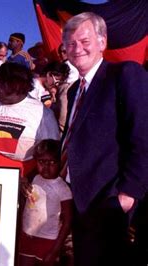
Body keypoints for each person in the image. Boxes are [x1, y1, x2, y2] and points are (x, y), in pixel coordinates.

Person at [61, 12, 148, 266]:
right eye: (70, 43)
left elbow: (143, 136)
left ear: (102, 42)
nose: (77, 49)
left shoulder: (126, 74)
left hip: (112, 202)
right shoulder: (75, 89)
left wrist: (128, 195)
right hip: (82, 201)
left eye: (85, 41)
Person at [0, 62, 59, 179]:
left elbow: (51, 155)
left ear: (17, 85)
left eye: (0, 84)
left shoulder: (43, 113)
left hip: (18, 182)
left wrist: (29, 181)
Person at [19, 139, 73, 266]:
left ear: (59, 162)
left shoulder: (63, 188)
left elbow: (68, 221)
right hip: (27, 237)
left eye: (52, 162)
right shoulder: (34, 178)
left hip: (48, 241)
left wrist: (55, 251)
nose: (46, 167)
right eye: (42, 162)